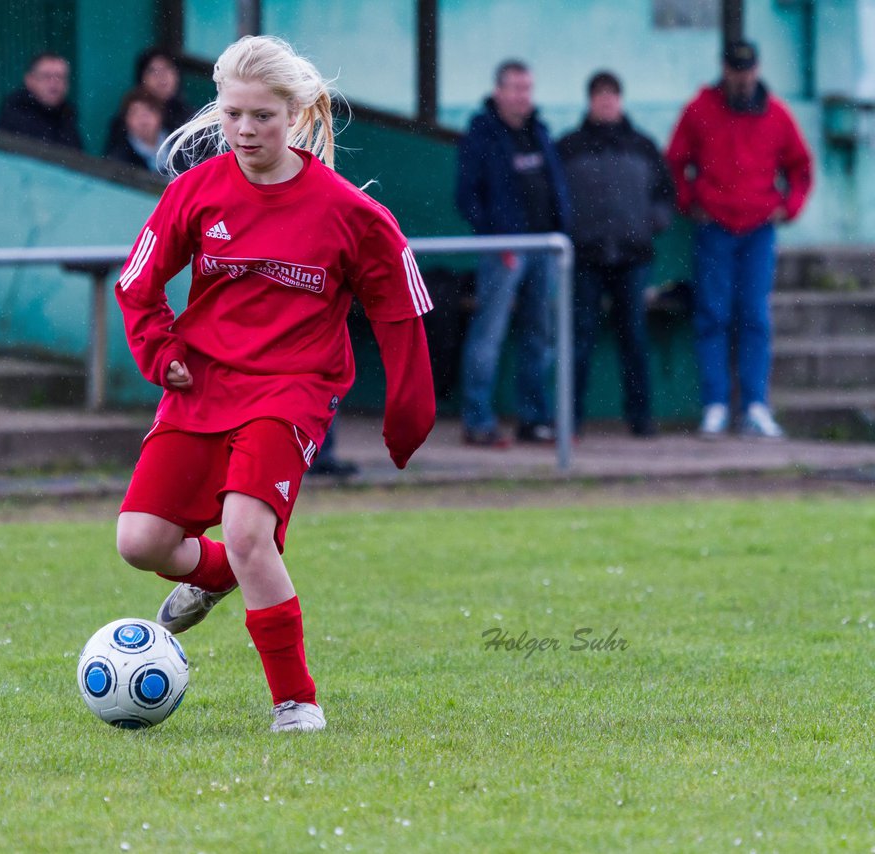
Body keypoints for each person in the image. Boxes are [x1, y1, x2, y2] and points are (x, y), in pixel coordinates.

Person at [113, 35, 435, 732]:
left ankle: (295, 700)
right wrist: (158, 347)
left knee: (249, 531)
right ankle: (222, 572)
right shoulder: (195, 191)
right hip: (201, 384)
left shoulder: (349, 213)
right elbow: (137, 283)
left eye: (262, 116)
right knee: (140, 542)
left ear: (295, 115)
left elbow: (400, 310)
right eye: (233, 115)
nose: (246, 130)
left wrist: (409, 413)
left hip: (291, 389)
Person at [666, 39, 812, 439]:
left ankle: (755, 406)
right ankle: (715, 406)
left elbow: (800, 167)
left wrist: (790, 206)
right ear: (725, 69)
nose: (743, 77)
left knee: (754, 317)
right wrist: (688, 201)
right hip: (714, 226)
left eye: (748, 70)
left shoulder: (777, 115)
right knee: (713, 315)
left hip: (758, 229)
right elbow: (675, 162)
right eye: (736, 70)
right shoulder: (699, 111)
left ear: (756, 70)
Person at [455, 59, 571, 448]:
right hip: (503, 250)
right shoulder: (481, 134)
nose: (523, 96)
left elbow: (555, 190)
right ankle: (477, 421)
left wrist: (560, 232)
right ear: (499, 91)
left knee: (540, 336)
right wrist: (496, 239)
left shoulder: (539, 131)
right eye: (516, 88)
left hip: (545, 249)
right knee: (490, 334)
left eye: (528, 88)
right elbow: (466, 196)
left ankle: (534, 419)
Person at [557, 70, 675, 438]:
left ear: (621, 101)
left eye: (612, 96)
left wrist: (650, 222)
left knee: (635, 340)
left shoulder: (643, 145)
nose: (607, 102)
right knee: (580, 339)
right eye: (600, 96)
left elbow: (665, 195)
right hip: (585, 257)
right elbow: (554, 197)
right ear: (590, 101)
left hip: (633, 256)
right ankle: (571, 420)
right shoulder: (568, 146)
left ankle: (640, 419)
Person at [105, 47, 195, 158]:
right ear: (141, 78)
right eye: (152, 70)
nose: (161, 77)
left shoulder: (191, 119)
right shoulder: (122, 126)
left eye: (167, 68)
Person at [0, 52, 83, 150]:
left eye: (60, 77)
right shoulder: (13, 118)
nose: (54, 82)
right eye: (46, 76)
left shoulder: (67, 120)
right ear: (29, 80)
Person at [103, 88, 167, 173]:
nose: (143, 119)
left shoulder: (181, 148)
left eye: (149, 111)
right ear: (126, 120)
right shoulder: (119, 160)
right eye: (135, 113)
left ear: (160, 116)